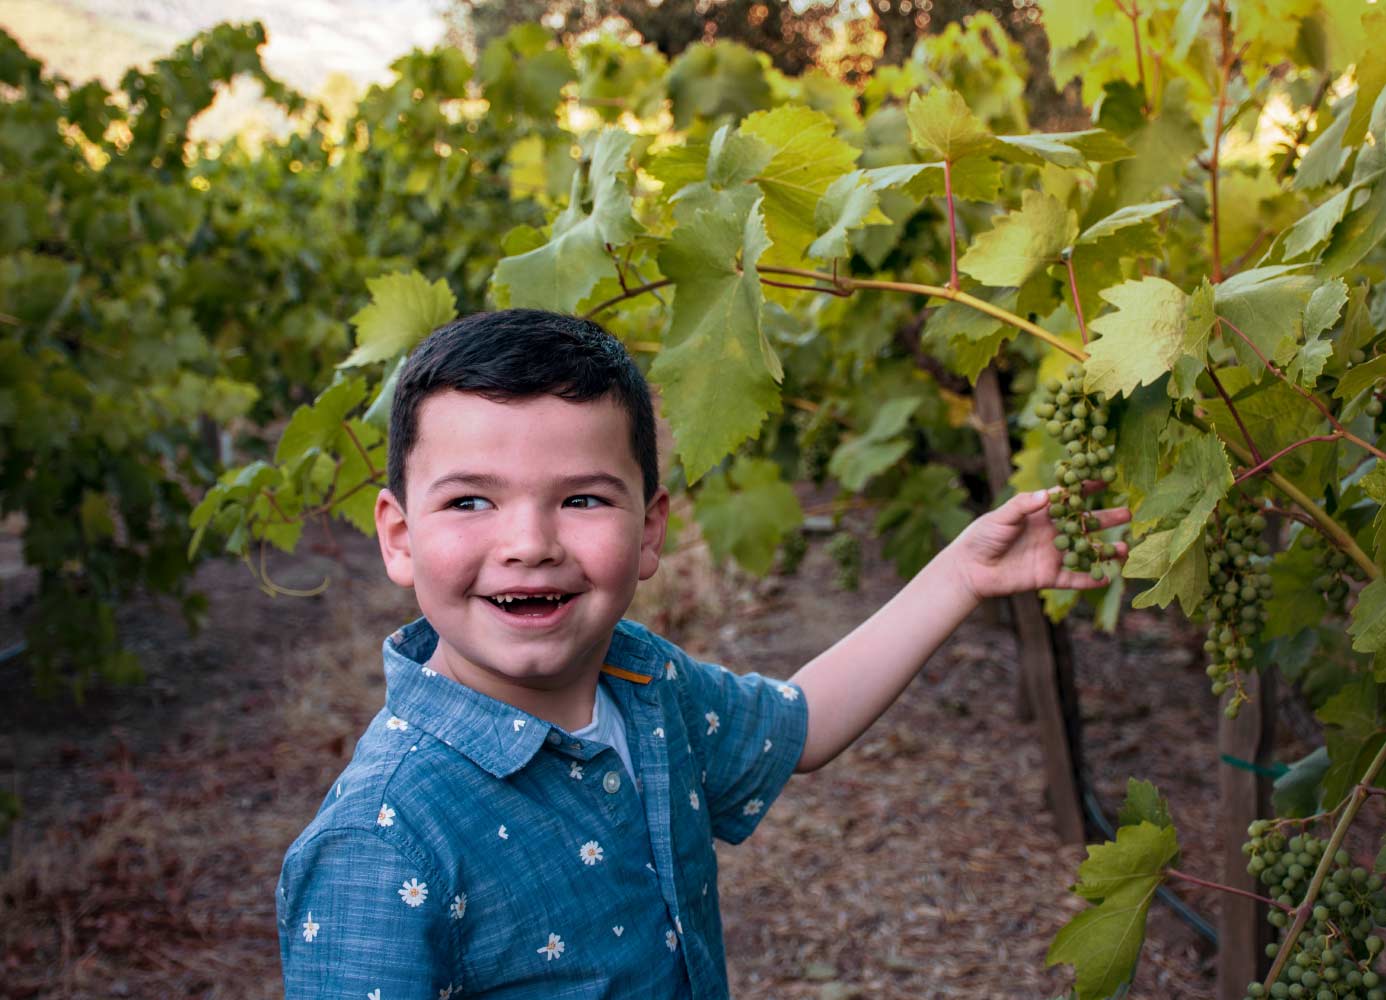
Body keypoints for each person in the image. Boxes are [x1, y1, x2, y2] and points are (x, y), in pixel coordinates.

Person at [275, 309, 1128, 999]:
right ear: (399, 537)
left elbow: (803, 724)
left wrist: (963, 574)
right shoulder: (379, 842)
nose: (529, 544)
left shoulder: (645, 685)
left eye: (581, 499)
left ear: (651, 530)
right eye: (470, 502)